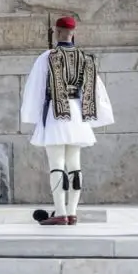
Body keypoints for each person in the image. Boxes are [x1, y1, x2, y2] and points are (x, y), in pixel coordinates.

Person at [19, 16, 115, 226]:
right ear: (74, 32)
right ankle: (72, 212)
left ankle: (61, 213)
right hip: (78, 115)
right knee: (75, 165)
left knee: (57, 164)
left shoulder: (48, 57)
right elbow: (96, 91)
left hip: (56, 113)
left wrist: (32, 116)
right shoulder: (86, 58)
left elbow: (35, 88)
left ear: (56, 31)